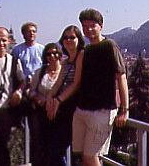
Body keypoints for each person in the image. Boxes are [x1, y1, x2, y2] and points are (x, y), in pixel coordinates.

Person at [49, 9, 129, 166]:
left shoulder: (109, 45)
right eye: (85, 26)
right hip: (83, 110)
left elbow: (121, 77)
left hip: (102, 111)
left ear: (101, 26)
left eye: (92, 26)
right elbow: (76, 82)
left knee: (90, 157)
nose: (88, 30)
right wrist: (56, 99)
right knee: (86, 158)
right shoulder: (86, 51)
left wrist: (125, 110)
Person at [45, 25, 85, 166]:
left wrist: (57, 101)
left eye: (72, 37)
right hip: (65, 109)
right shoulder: (66, 61)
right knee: (55, 149)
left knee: (58, 149)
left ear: (79, 39)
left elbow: (76, 83)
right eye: (66, 37)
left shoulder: (81, 55)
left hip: (75, 109)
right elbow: (58, 84)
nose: (68, 40)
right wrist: (50, 98)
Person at [0, 27, 25, 166]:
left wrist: (19, 92)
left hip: (6, 111)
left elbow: (22, 81)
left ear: (8, 41)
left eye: (4, 40)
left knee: (4, 149)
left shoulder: (14, 61)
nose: (1, 43)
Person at [11, 22, 44, 165]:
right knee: (19, 129)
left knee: (37, 131)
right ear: (23, 34)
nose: (31, 33)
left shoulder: (42, 49)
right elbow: (13, 72)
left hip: (38, 91)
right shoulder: (17, 50)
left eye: (34, 31)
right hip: (23, 91)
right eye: (28, 31)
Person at [29, 43, 63, 166]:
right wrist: (37, 98)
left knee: (57, 150)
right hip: (41, 115)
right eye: (48, 54)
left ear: (59, 54)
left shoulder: (64, 71)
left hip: (59, 115)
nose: (52, 56)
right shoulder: (40, 71)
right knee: (42, 148)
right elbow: (32, 91)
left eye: (55, 53)